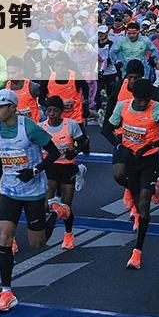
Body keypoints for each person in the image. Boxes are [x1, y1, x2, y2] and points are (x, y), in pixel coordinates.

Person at [0, 89, 66, 312]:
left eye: (1, 106)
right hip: (9, 189)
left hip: (33, 191)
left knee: (36, 244)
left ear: (12, 107)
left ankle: (56, 213)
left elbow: (54, 153)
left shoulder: (28, 127)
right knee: (4, 235)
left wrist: (35, 170)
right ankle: (7, 292)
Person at [107, 79, 159, 268]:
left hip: (149, 160)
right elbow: (109, 128)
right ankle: (153, 189)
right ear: (133, 96)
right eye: (140, 100)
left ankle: (137, 251)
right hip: (130, 161)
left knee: (143, 204)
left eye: (146, 100)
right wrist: (119, 145)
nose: (143, 104)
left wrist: (152, 145)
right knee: (130, 189)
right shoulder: (122, 107)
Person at [41, 94, 90, 249]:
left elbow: (83, 142)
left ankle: (68, 234)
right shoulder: (41, 127)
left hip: (68, 166)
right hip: (50, 166)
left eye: (55, 110)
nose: (52, 114)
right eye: (49, 111)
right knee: (46, 204)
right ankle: (52, 216)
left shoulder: (71, 125)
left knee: (66, 207)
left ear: (61, 111)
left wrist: (74, 151)